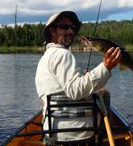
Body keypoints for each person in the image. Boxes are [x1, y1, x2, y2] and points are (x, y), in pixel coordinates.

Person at [35, 11, 121, 143]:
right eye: (64, 27)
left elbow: (65, 86)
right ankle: (101, 134)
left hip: (52, 133)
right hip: (79, 135)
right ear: (52, 31)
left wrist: (83, 77)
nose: (70, 31)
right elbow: (75, 91)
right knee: (104, 93)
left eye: (72, 28)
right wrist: (106, 67)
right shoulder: (63, 54)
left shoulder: (45, 59)